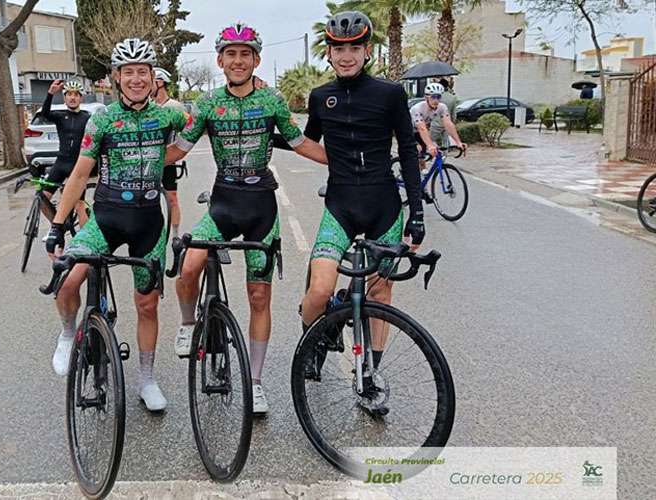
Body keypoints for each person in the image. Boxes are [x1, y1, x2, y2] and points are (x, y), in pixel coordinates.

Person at [165, 22, 327, 415]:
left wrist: (348, 164)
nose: (238, 61)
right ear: (220, 60)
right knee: (189, 267)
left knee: (259, 295)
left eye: (246, 54)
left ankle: (254, 383)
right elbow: (179, 150)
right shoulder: (206, 104)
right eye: (231, 54)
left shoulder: (271, 100)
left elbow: (300, 141)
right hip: (224, 202)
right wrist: (116, 162)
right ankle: (189, 324)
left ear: (256, 59)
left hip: (260, 206)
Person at [45, 39, 189, 412]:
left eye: (143, 71)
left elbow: (201, 129)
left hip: (148, 223)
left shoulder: (168, 116)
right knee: (67, 279)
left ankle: (146, 379)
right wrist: (57, 226)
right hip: (107, 217)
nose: (137, 79)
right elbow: (79, 174)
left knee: (147, 305)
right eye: (129, 72)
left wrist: (164, 159)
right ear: (116, 78)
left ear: (153, 77)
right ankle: (66, 333)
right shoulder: (103, 119)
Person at [297, 11, 423, 412]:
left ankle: (370, 372)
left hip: (384, 206)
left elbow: (406, 150)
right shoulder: (320, 97)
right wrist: (274, 134)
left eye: (354, 47)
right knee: (318, 291)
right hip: (340, 205)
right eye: (339, 48)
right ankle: (315, 339)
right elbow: (310, 143)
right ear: (329, 53)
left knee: (381, 293)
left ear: (367, 51)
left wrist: (416, 213)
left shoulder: (390, 95)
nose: (346, 55)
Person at [39, 80, 92, 225]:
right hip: (61, 163)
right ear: (65, 98)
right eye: (69, 94)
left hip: (78, 166)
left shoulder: (87, 117)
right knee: (42, 199)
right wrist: (50, 93)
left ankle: (85, 241)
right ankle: (58, 227)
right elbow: (44, 114)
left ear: (81, 98)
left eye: (76, 94)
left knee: (79, 205)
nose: (73, 97)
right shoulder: (60, 116)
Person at [152, 67, 185, 239]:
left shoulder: (175, 107)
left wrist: (177, 151)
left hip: (169, 160)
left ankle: (175, 235)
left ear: (160, 83)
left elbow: (189, 130)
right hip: (151, 160)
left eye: (152, 82)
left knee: (172, 198)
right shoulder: (148, 107)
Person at [410, 82, 466, 171]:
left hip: (421, 130)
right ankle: (408, 171)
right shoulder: (417, 108)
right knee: (419, 149)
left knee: (425, 153)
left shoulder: (442, 107)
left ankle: (422, 173)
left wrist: (458, 142)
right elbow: (422, 128)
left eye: (438, 97)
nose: (436, 100)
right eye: (433, 97)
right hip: (407, 129)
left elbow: (448, 124)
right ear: (426, 98)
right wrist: (430, 145)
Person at [429, 78, 458, 149]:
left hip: (435, 122)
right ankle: (443, 156)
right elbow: (453, 113)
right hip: (447, 123)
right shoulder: (452, 97)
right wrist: (452, 123)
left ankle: (433, 154)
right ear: (447, 86)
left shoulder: (435, 97)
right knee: (445, 142)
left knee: (429, 141)